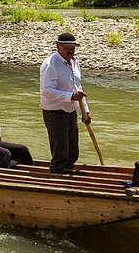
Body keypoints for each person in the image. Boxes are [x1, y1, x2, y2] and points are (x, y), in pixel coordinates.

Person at [40, 32, 92, 174]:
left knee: (73, 153)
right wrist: (71, 96)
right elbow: (47, 91)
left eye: (73, 48)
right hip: (54, 112)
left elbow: (79, 88)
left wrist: (85, 111)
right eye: (67, 48)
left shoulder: (75, 62)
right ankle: (56, 176)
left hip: (71, 110)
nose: (71, 51)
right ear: (58, 47)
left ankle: (67, 173)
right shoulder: (50, 64)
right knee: (60, 152)